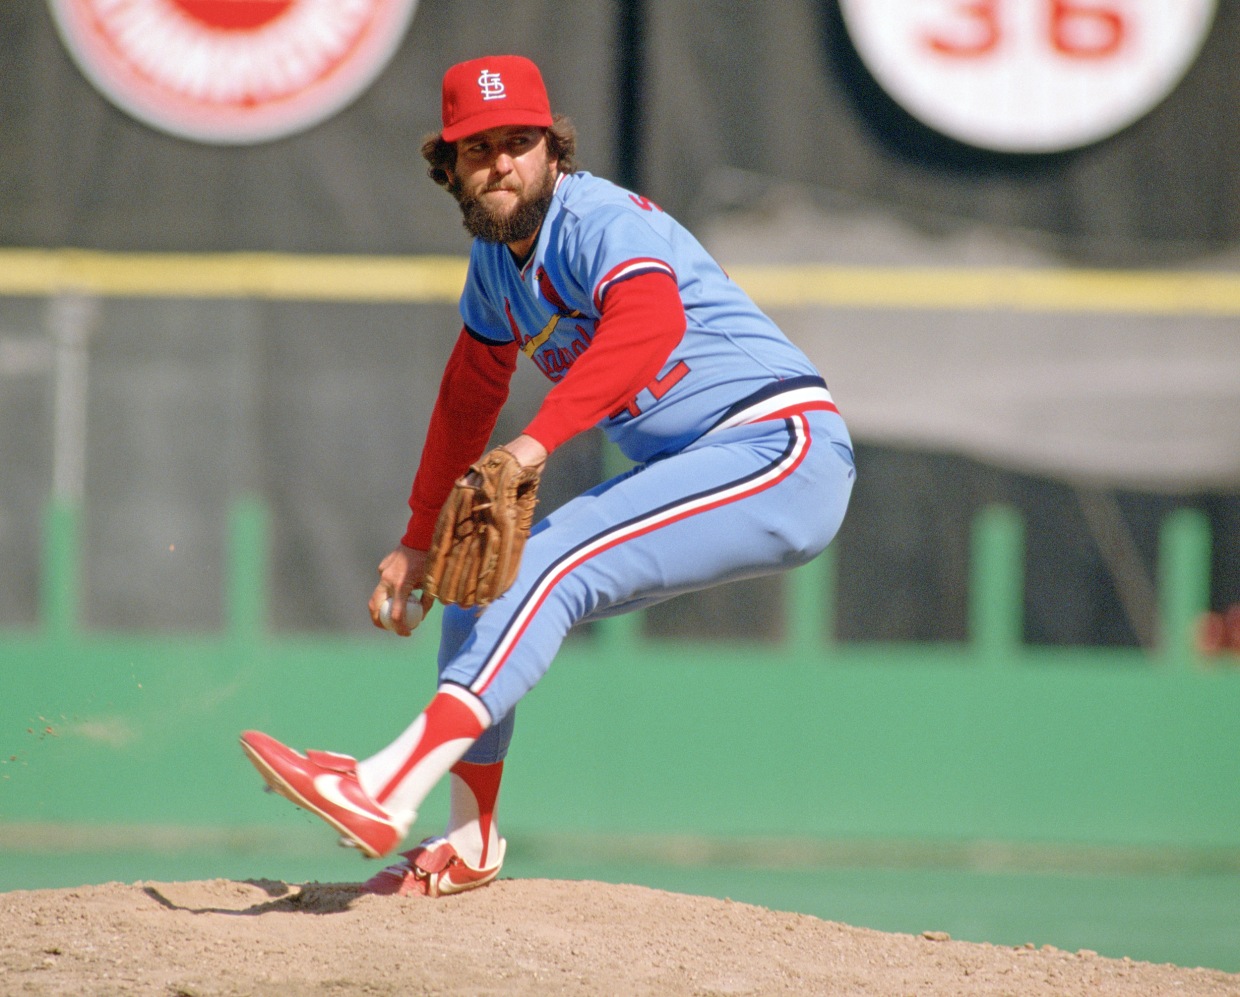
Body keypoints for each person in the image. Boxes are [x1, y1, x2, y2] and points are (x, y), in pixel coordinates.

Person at [240, 54, 856, 898]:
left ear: (553, 149)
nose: (501, 161)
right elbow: (468, 392)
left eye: (519, 141)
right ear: (447, 167)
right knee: (477, 579)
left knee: (549, 554)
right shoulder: (496, 268)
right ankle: (469, 841)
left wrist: (533, 445)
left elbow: (649, 320)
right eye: (478, 145)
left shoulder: (599, 219)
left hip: (778, 447)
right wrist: (419, 538)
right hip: (698, 464)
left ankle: (387, 782)